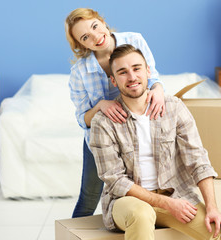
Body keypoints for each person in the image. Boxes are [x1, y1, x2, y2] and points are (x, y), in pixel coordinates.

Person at [89, 44, 221, 240]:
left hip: (175, 195)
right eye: (123, 72)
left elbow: (198, 160)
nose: (132, 77)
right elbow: (115, 180)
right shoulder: (103, 122)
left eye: (136, 68)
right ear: (113, 81)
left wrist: (212, 208)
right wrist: (166, 204)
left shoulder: (173, 107)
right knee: (142, 215)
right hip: (127, 201)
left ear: (148, 71)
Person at [64, 8, 165, 218]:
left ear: (101, 21)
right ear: (81, 45)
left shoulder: (134, 40)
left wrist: (159, 90)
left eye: (94, 26)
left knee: (143, 192)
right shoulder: (79, 73)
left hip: (140, 134)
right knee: (89, 196)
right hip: (101, 140)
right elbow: (83, 119)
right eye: (85, 37)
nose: (95, 37)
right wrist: (101, 104)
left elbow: (152, 77)